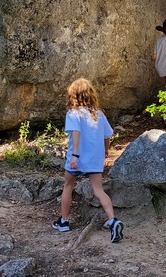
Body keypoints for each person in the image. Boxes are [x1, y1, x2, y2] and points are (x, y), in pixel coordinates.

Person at [53, 78, 124, 243]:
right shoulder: (99, 114)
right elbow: (108, 135)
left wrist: (75, 156)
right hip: (94, 158)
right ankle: (113, 220)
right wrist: (106, 150)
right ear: (90, 95)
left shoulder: (73, 113)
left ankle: (63, 221)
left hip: (77, 158)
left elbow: (76, 133)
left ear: (73, 95)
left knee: (68, 186)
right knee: (98, 190)